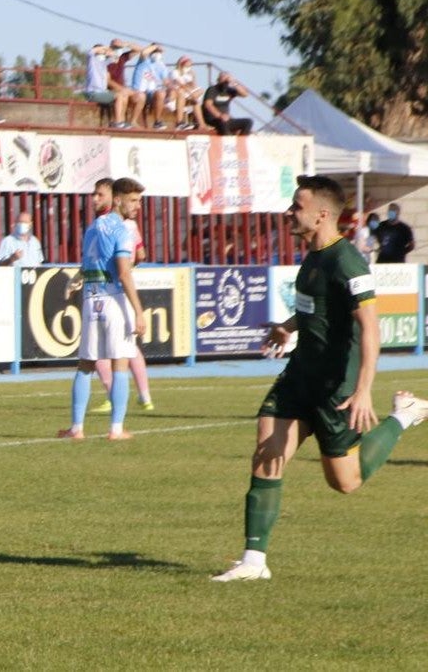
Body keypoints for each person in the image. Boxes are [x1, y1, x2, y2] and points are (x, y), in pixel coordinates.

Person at [212, 175, 428, 582]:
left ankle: (404, 415)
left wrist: (363, 390)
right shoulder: (312, 254)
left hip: (335, 385)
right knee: (266, 452)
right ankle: (253, 562)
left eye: (297, 206)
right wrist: (289, 326)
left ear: (322, 214)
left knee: (344, 482)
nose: (290, 212)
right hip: (299, 375)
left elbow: (369, 328)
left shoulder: (347, 260)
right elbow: (318, 308)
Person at [58, 177, 147, 441]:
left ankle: (76, 428)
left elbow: (86, 266)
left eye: (139, 201)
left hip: (91, 300)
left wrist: (77, 280)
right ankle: (116, 429)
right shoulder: (122, 231)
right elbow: (124, 272)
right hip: (113, 300)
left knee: (85, 365)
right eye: (133, 200)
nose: (138, 206)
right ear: (117, 200)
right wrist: (139, 311)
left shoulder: (93, 228)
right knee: (120, 363)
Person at [91, 185, 154, 412]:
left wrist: (121, 269)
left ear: (113, 198)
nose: (95, 199)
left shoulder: (106, 226)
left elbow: (124, 263)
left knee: (101, 351)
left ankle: (112, 402)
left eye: (100, 194)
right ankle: (144, 396)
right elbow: (141, 254)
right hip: (117, 290)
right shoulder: (126, 225)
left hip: (108, 291)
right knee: (127, 347)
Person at [82, 43, 133, 129]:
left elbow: (116, 59)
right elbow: (90, 52)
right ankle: (118, 122)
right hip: (93, 92)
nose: (103, 53)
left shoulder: (103, 63)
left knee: (123, 95)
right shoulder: (92, 61)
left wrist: (110, 52)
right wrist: (104, 48)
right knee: (119, 95)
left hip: (101, 92)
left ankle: (121, 120)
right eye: (101, 52)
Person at [167, 56, 204, 130]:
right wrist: (191, 93)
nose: (189, 67)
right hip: (176, 95)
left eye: (190, 66)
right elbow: (180, 85)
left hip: (186, 95)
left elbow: (194, 86)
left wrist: (193, 78)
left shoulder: (188, 74)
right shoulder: (175, 72)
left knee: (199, 93)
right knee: (182, 92)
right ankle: (179, 122)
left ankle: (201, 124)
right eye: (187, 65)